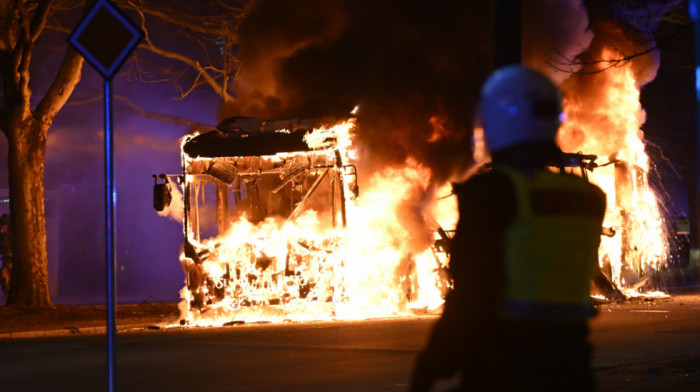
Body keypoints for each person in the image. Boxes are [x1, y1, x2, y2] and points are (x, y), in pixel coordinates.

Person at [410, 65, 606, 391]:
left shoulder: (494, 194)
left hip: (505, 368)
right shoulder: (588, 197)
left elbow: (471, 297)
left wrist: (429, 371)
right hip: (571, 367)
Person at [0, 213, 12, 297]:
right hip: (6, 260)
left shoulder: (11, 235)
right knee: (3, 276)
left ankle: (10, 294)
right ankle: (8, 295)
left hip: (12, 260)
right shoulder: (2, 235)